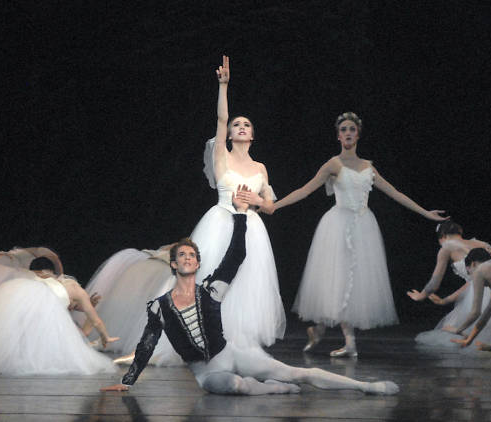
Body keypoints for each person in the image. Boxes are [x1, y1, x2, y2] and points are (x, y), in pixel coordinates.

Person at [100, 204, 399, 395]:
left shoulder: (212, 289)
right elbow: (146, 345)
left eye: (192, 255)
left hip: (233, 354)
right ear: (174, 264)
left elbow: (236, 256)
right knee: (232, 384)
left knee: (299, 373)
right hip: (209, 374)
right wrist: (128, 381)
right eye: (182, 256)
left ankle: (365, 386)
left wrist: (241, 217)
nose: (188, 258)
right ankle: (271, 390)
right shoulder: (160, 306)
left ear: (198, 262)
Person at [270, 112, 447, 357]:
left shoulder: (368, 167)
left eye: (352, 129)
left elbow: (395, 192)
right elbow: (306, 189)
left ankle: (338, 338)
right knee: (339, 281)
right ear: (338, 136)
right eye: (343, 129)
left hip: (363, 226)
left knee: (353, 285)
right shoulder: (333, 164)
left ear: (358, 134)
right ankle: (333, 334)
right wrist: (275, 205)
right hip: (337, 226)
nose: (348, 133)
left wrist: (425, 213)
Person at [188, 55, 285, 349]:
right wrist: (223, 86)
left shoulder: (260, 168)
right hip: (220, 221)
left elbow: (271, 206)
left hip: (250, 226)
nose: (241, 127)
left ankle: (238, 337)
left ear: (252, 135)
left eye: (246, 125)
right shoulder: (222, 156)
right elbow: (220, 118)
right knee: (211, 276)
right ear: (229, 134)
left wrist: (257, 199)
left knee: (246, 282)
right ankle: (202, 334)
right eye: (236, 125)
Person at [0, 257, 118, 375]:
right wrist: (105, 336)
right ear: (53, 271)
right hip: (42, 325)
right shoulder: (74, 288)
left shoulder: (29, 280)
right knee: (77, 344)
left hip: (23, 315)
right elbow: (94, 319)